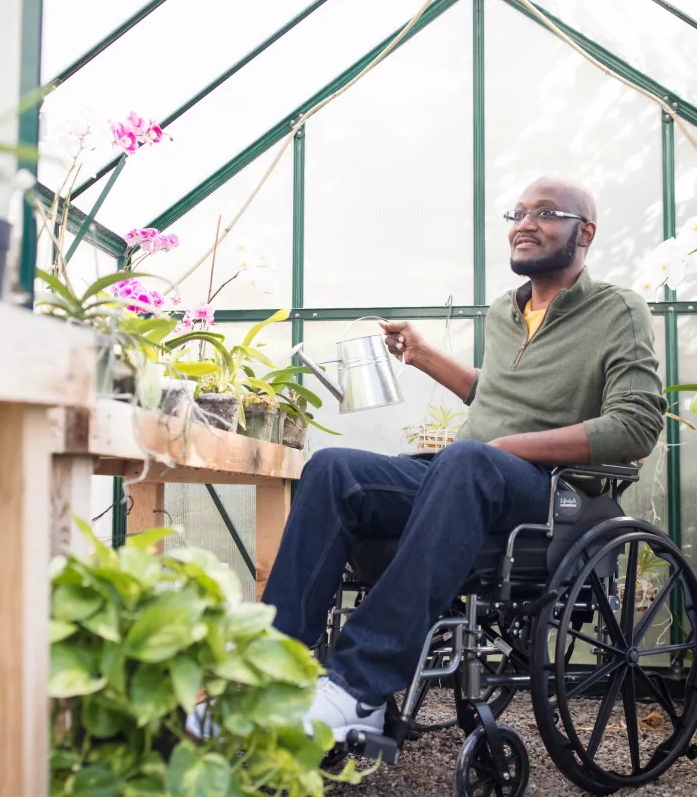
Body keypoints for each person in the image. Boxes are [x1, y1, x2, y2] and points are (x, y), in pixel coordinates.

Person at [189, 177, 667, 743]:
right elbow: (493, 395)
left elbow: (636, 425)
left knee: (467, 460)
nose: (524, 223)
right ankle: (267, 674)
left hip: (552, 495)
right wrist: (421, 356)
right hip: (469, 473)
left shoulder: (618, 310)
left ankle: (356, 689)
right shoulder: (504, 313)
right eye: (518, 212)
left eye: (545, 213)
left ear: (584, 232)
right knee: (334, 468)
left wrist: (504, 449)